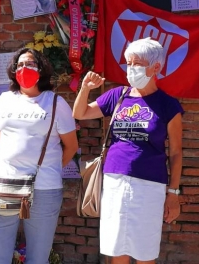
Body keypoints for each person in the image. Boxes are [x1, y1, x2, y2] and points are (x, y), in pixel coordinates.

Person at [73, 38, 183, 264]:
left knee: (145, 250)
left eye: (137, 64)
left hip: (149, 185)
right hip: (114, 181)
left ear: (156, 68)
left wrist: (173, 194)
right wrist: (85, 88)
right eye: (129, 63)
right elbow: (81, 113)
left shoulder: (168, 105)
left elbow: (176, 153)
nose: (131, 69)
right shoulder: (118, 96)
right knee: (115, 248)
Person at [0, 47, 78, 264]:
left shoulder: (56, 103)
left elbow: (71, 146)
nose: (23, 68)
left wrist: (49, 168)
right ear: (13, 70)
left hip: (43, 188)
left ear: (41, 69)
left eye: (29, 64)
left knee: (38, 257)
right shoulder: (5, 99)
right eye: (19, 64)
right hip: (6, 185)